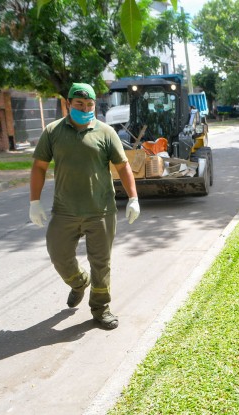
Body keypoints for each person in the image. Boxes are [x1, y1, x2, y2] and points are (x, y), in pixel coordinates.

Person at [29, 83, 140, 330]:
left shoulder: (106, 132)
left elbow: (122, 167)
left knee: (101, 263)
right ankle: (79, 283)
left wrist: (133, 198)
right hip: (64, 210)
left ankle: (101, 309)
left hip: (100, 210)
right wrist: (34, 202)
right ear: (68, 103)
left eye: (89, 105)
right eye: (79, 104)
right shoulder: (53, 131)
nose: (85, 108)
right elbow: (39, 166)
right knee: (58, 254)